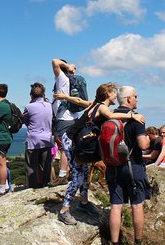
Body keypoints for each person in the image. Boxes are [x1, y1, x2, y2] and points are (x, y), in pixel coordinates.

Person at [54, 83, 145, 226]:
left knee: (83, 172)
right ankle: (64, 210)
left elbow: (79, 102)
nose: (116, 95)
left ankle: (83, 203)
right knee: (78, 176)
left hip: (74, 140)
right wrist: (133, 116)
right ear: (108, 94)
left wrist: (65, 97)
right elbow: (112, 115)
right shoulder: (102, 107)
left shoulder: (95, 104)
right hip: (70, 141)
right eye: (114, 93)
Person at [107, 86, 151, 245]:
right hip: (133, 166)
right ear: (128, 99)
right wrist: (147, 140)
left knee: (116, 206)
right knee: (137, 205)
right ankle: (138, 244)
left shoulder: (109, 116)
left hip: (113, 166)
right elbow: (141, 144)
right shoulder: (137, 119)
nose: (137, 99)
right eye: (135, 96)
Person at [22, 83, 53, 188]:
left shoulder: (29, 107)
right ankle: (47, 184)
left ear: (31, 95)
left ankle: (33, 187)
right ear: (43, 94)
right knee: (46, 165)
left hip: (33, 140)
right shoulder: (49, 105)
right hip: (47, 138)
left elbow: (23, 120)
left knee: (31, 166)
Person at [51, 59, 78, 181]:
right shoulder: (71, 80)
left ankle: (62, 175)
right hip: (73, 116)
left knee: (64, 147)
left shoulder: (62, 78)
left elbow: (54, 61)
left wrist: (68, 66)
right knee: (69, 146)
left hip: (64, 118)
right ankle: (69, 173)